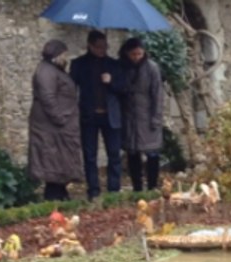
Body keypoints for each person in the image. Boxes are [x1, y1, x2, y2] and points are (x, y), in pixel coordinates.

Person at [70, 30, 127, 200]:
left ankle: (114, 189)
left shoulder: (114, 65)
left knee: (114, 154)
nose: (102, 50)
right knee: (90, 155)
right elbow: (71, 88)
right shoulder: (78, 64)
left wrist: (111, 82)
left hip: (111, 116)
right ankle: (93, 190)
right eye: (98, 47)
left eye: (105, 47)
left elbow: (124, 89)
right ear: (90, 45)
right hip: (89, 115)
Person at [28, 40, 83, 201]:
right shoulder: (46, 72)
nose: (66, 58)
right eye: (64, 55)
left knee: (60, 160)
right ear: (57, 55)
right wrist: (59, 117)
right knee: (52, 160)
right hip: (51, 125)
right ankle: (53, 194)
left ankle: (60, 192)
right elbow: (48, 97)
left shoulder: (53, 70)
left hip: (59, 125)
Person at [119, 37, 164, 191]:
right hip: (130, 117)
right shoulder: (123, 68)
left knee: (152, 153)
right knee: (133, 153)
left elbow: (157, 94)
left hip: (148, 115)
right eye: (133, 54)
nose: (137, 57)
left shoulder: (152, 68)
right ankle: (137, 187)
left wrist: (156, 118)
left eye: (139, 54)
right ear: (127, 54)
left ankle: (152, 185)